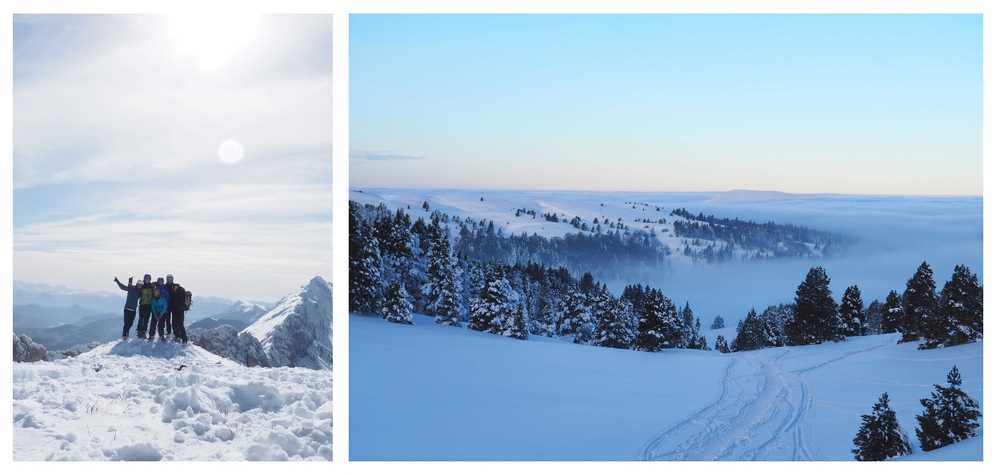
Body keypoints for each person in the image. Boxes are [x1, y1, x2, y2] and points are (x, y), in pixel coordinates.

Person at [114, 276, 140, 340]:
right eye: (139, 284)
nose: (140, 285)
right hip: (127, 309)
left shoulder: (140, 292)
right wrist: (117, 281)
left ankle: (126, 334)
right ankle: (124, 335)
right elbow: (122, 287)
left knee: (130, 323)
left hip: (133, 310)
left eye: (141, 285)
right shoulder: (131, 288)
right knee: (126, 323)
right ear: (137, 284)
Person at [167, 274, 188, 344]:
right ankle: (179, 337)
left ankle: (183, 339)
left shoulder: (177, 288)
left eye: (170, 279)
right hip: (175, 309)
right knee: (175, 324)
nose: (169, 280)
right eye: (168, 279)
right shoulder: (170, 287)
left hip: (178, 309)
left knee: (179, 324)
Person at [137, 274, 154, 339]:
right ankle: (139, 332)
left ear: (150, 279)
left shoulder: (151, 286)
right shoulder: (141, 285)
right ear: (144, 279)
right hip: (142, 305)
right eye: (146, 278)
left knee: (146, 319)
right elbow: (138, 292)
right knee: (141, 319)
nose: (147, 279)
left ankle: (143, 332)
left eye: (148, 278)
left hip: (149, 305)